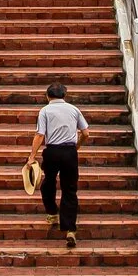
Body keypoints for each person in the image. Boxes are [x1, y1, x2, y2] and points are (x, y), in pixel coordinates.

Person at [30, 81, 88, 242]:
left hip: (52, 151)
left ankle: (51, 212)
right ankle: (70, 229)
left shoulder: (45, 111)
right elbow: (86, 133)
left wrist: (32, 156)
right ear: (65, 95)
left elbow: (40, 135)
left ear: (47, 96)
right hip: (70, 152)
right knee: (69, 189)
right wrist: (77, 146)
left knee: (48, 182)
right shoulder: (74, 110)